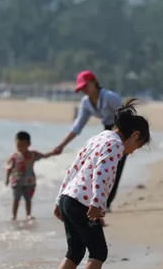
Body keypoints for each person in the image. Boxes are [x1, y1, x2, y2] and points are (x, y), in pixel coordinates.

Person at [52, 99, 150, 269]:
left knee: (74, 252)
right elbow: (101, 173)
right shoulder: (115, 145)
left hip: (69, 198)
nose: (132, 152)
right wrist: (97, 203)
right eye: (137, 147)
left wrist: (59, 199)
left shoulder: (99, 137)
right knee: (98, 251)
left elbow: (74, 167)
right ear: (135, 135)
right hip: (83, 203)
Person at [53, 71, 124, 212]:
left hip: (121, 130)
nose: (84, 90)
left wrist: (120, 137)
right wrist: (61, 146)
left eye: (86, 86)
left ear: (94, 82)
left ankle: (106, 204)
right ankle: (97, 201)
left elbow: (125, 116)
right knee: (100, 166)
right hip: (107, 131)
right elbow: (77, 126)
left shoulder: (110, 97)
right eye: (81, 88)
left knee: (115, 168)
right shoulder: (86, 103)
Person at [5, 131, 54, 221]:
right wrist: (7, 179)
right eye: (18, 145)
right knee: (16, 199)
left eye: (23, 145)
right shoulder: (14, 156)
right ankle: (14, 216)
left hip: (30, 181)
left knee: (28, 199)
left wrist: (53, 152)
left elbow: (44, 156)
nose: (20, 148)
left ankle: (28, 214)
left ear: (29, 144)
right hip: (17, 181)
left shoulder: (33, 154)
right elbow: (9, 168)